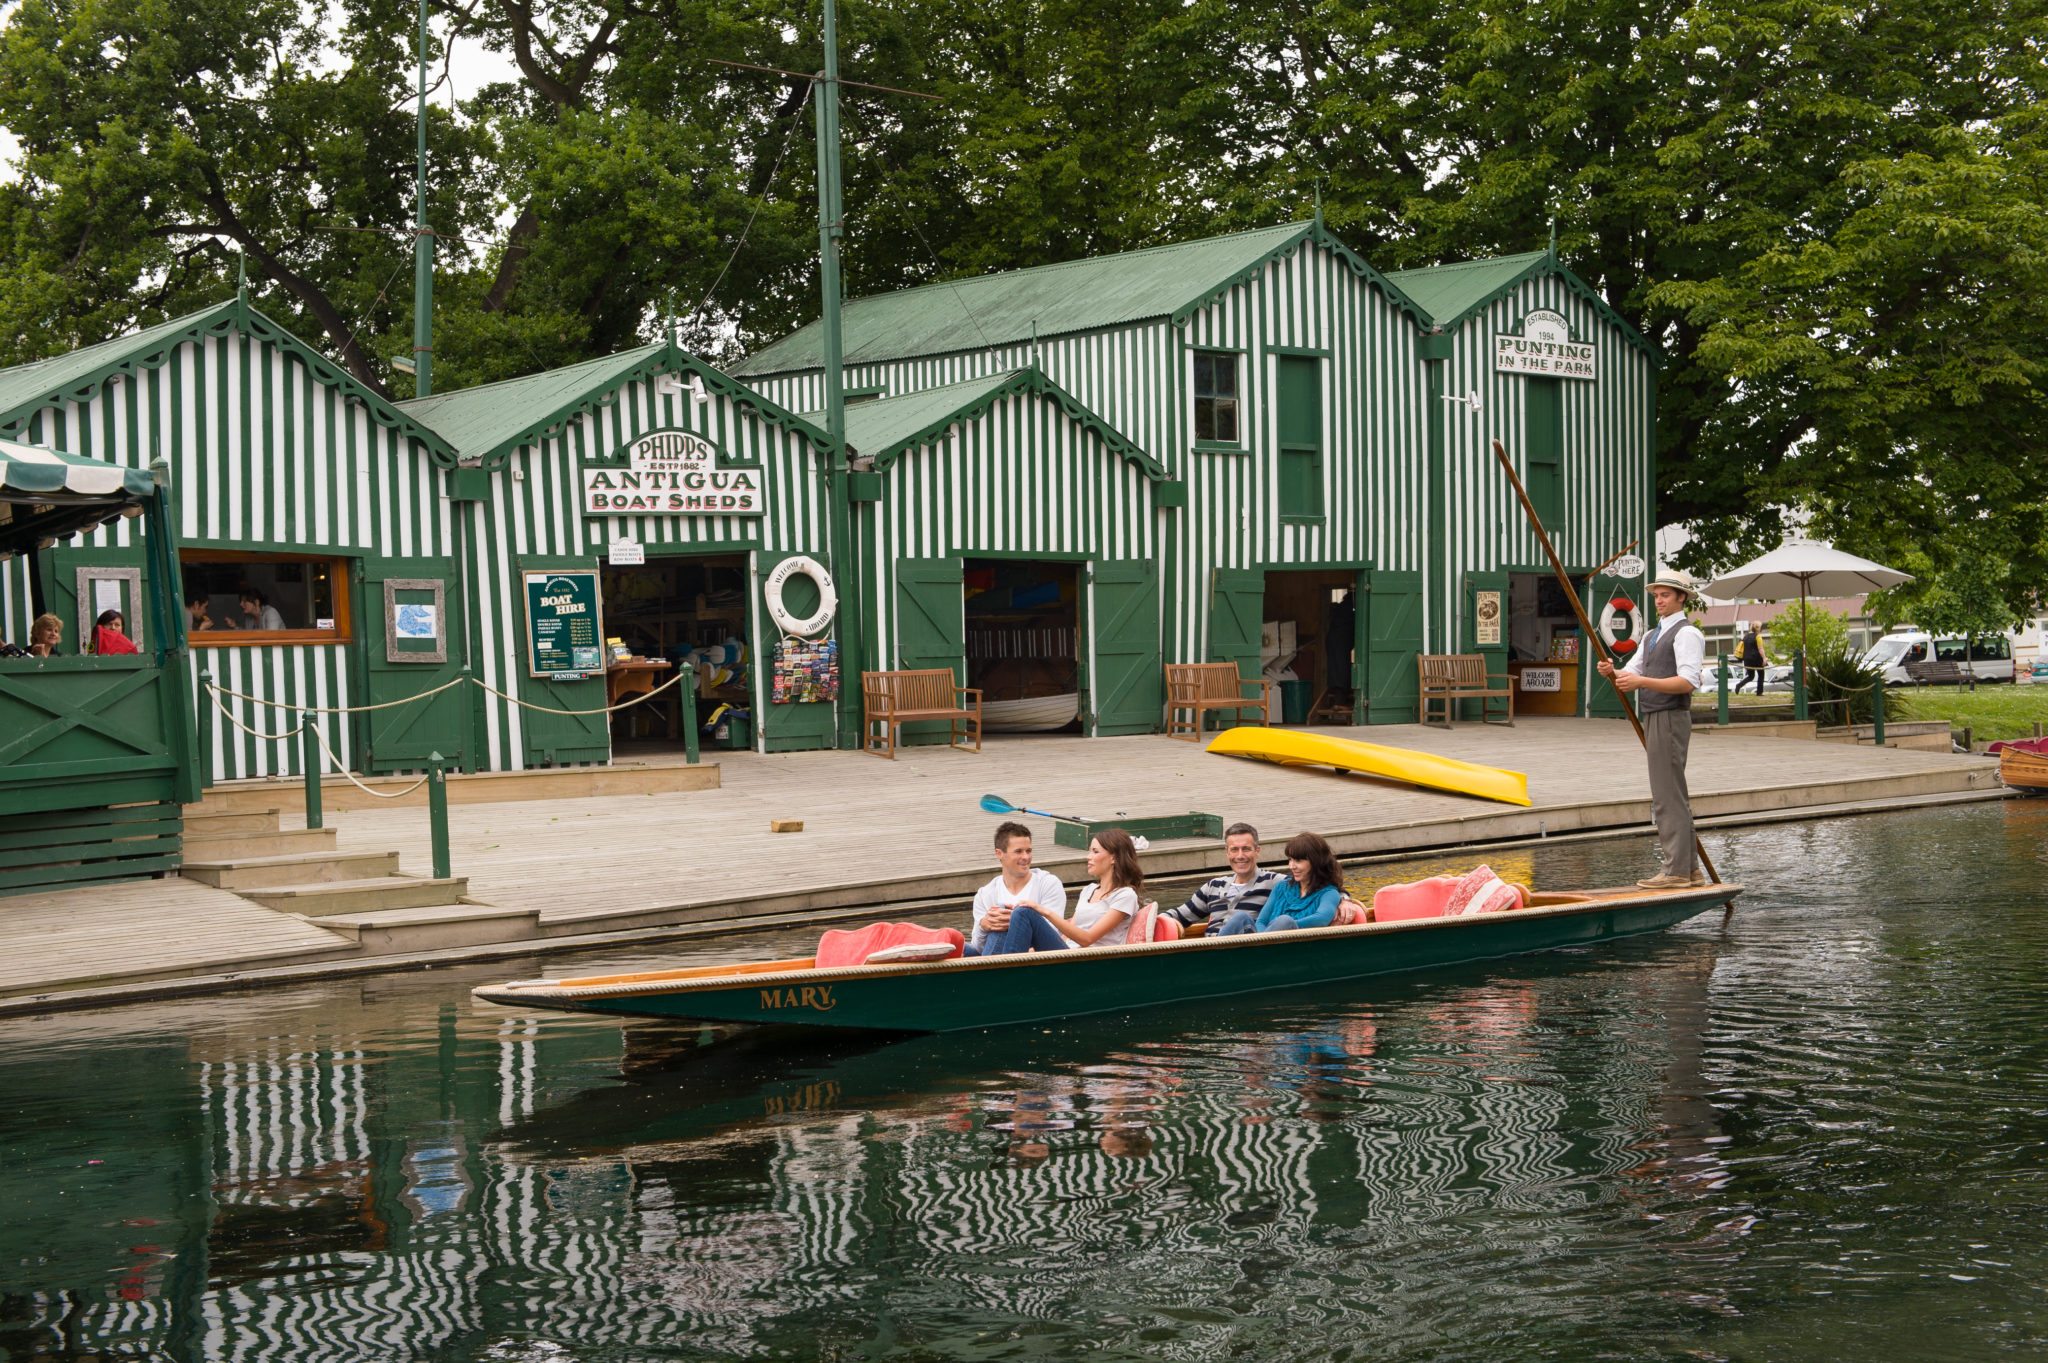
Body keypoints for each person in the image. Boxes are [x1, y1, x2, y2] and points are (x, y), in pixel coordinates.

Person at [1597, 569, 1705, 888]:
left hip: (1671, 716)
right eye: (1656, 595)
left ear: (1681, 597)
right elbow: (1629, 673)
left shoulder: (1687, 634)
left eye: (1665, 595)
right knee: (1670, 793)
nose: (1658, 600)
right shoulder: (1651, 635)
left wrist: (1642, 682)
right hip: (1655, 714)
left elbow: (1688, 681)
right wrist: (1611, 672)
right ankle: (1691, 870)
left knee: (1667, 795)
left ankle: (1675, 872)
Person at [963, 821, 1069, 957]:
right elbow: (979, 948)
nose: (1025, 857)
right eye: (1018, 851)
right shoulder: (985, 894)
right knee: (957, 946)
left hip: (1047, 956)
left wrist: (1014, 922)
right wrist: (984, 926)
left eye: (1028, 851)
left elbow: (1050, 933)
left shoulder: (1048, 883)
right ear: (999, 853)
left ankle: (992, 976)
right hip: (997, 958)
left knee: (1017, 913)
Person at [1159, 822, 1280, 939]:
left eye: (1246, 849)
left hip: (1244, 951)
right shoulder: (1214, 886)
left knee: (1240, 918)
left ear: (1257, 851)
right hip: (1209, 949)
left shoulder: (1274, 882)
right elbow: (1179, 915)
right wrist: (1164, 921)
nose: (1240, 856)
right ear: (1227, 852)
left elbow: (1298, 887)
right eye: (1234, 850)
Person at [1212, 832, 1344, 935]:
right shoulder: (1282, 887)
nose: (1292, 866)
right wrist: (1264, 936)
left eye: (1298, 861)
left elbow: (1321, 918)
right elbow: (1262, 921)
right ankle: (1214, 957)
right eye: (1290, 860)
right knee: (1240, 917)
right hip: (1265, 944)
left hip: (1295, 949)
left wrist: (1287, 927)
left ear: (1316, 861)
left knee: (1284, 920)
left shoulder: (1329, 893)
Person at [1739, 624, 1766, 695]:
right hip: (1756, 659)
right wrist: (1764, 658)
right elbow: (1760, 649)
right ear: (1758, 629)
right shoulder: (1758, 636)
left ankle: (1739, 685)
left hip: (1747, 660)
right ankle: (1759, 692)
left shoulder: (1745, 636)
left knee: (1751, 676)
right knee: (1761, 674)